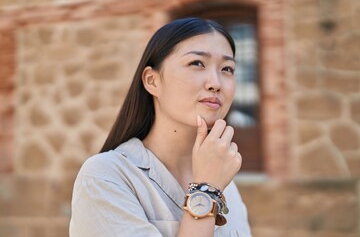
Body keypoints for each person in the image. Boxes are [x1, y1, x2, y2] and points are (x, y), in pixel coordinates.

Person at [69, 17, 252, 237]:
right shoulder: (106, 177)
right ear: (152, 81)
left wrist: (213, 185)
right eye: (197, 63)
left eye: (227, 69)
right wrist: (206, 192)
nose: (215, 83)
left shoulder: (227, 186)